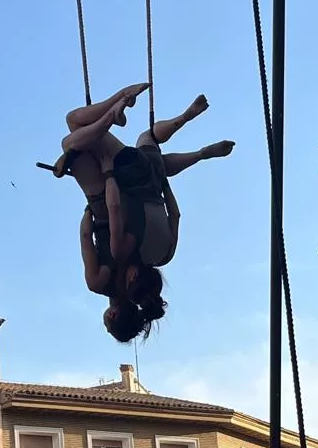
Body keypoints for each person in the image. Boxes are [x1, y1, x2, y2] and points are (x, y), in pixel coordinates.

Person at [57, 86, 235, 342]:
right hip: (107, 190)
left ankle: (198, 148)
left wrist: (163, 183)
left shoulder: (164, 254)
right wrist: (99, 189)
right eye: (108, 326)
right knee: (73, 129)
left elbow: (175, 215)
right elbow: (95, 228)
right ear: (115, 315)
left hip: (151, 182)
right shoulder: (109, 270)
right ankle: (113, 112)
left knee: (147, 137)